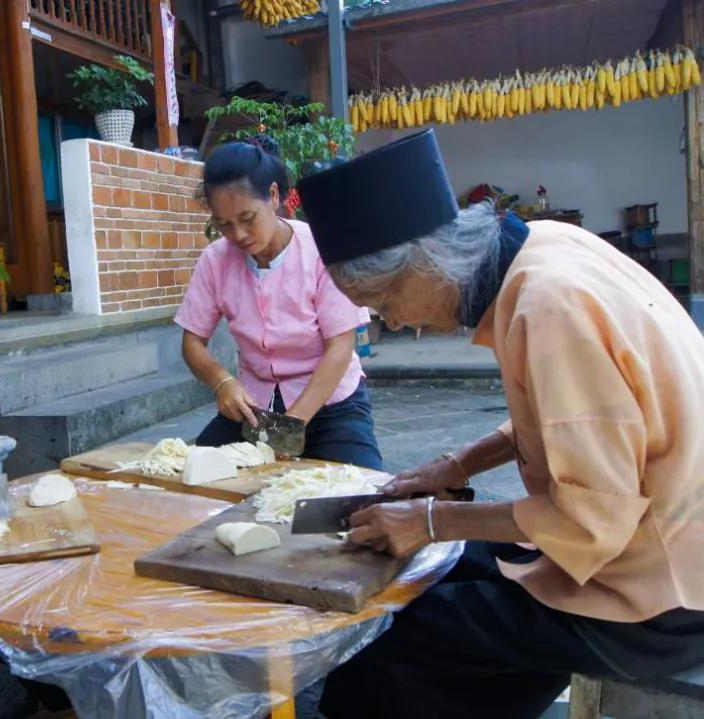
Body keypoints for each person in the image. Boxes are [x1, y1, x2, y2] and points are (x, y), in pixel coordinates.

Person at [295, 129, 704, 718]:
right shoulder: (544, 245)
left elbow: (592, 522)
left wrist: (432, 520)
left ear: (423, 265)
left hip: (659, 601)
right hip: (644, 543)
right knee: (446, 575)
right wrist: (457, 467)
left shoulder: (549, 306)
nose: (399, 323)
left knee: (389, 642)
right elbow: (575, 421)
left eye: (384, 304)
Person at [174, 137, 383, 468]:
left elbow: (341, 348)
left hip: (331, 405)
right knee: (194, 477)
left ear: (273, 196)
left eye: (247, 218)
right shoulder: (215, 260)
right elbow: (192, 342)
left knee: (362, 492)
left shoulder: (321, 250)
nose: (239, 234)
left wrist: (291, 427)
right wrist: (223, 382)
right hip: (256, 409)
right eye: (224, 224)